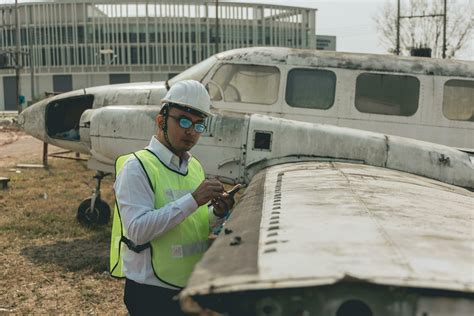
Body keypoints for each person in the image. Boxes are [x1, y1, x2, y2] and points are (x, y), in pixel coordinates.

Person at [109, 80, 235, 315]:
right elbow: (137, 230)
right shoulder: (138, 167)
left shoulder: (194, 166)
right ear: (161, 120)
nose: (191, 131)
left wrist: (216, 212)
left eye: (199, 125)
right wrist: (194, 199)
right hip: (152, 292)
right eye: (184, 120)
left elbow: (193, 223)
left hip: (188, 284)